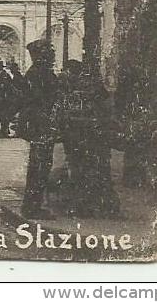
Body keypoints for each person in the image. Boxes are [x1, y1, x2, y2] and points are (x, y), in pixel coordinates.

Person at [51, 60, 121, 217]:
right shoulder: (91, 89)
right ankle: (96, 204)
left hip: (80, 135)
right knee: (94, 169)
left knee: (80, 169)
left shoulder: (71, 89)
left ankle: (81, 205)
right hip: (91, 136)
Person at [20, 41, 59, 218]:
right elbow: (39, 100)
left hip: (39, 123)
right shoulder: (40, 74)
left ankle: (32, 205)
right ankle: (32, 207)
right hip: (41, 124)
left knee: (40, 165)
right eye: (50, 52)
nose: (53, 55)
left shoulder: (35, 73)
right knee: (40, 166)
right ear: (41, 55)